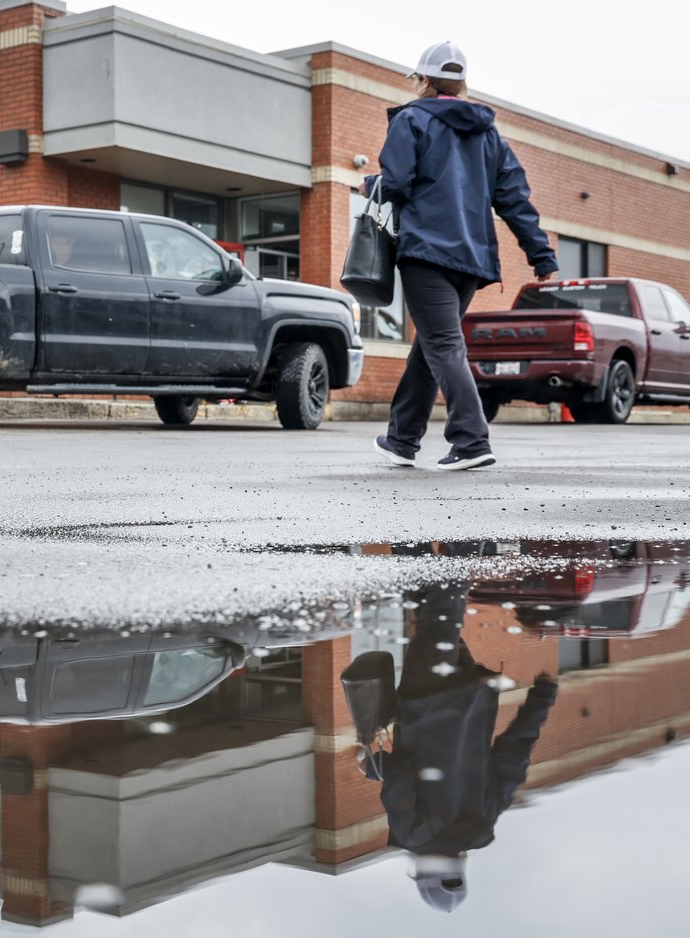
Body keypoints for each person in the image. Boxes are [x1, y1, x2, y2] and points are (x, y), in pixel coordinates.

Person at [364, 41, 559, 471]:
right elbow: (514, 200)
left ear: (423, 80)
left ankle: (471, 441)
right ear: (461, 83)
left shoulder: (412, 120)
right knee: (431, 346)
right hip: (471, 261)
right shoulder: (489, 134)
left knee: (443, 344)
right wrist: (541, 257)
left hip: (427, 255)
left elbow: (396, 183)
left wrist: (370, 185)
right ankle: (401, 439)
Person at [356, 576, 558, 913]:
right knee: (443, 605)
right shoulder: (414, 835)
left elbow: (513, 755)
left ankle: (421, 546)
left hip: (470, 694)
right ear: (423, 872)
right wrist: (371, 766)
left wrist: (541, 700)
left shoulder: (484, 819)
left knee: (430, 612)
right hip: (426, 700)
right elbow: (401, 773)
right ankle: (462, 542)